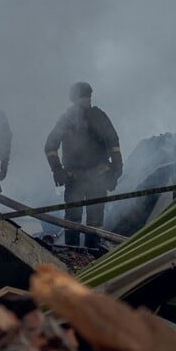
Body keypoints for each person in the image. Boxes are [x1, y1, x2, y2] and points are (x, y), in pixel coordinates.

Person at [44, 82, 122, 248]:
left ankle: (93, 253)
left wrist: (116, 171)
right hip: (74, 178)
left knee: (95, 221)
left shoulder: (99, 117)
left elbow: (113, 143)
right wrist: (57, 169)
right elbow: (50, 146)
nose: (87, 100)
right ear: (74, 99)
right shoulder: (66, 120)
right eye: (83, 97)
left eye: (88, 97)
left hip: (98, 177)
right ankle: (71, 254)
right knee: (73, 219)